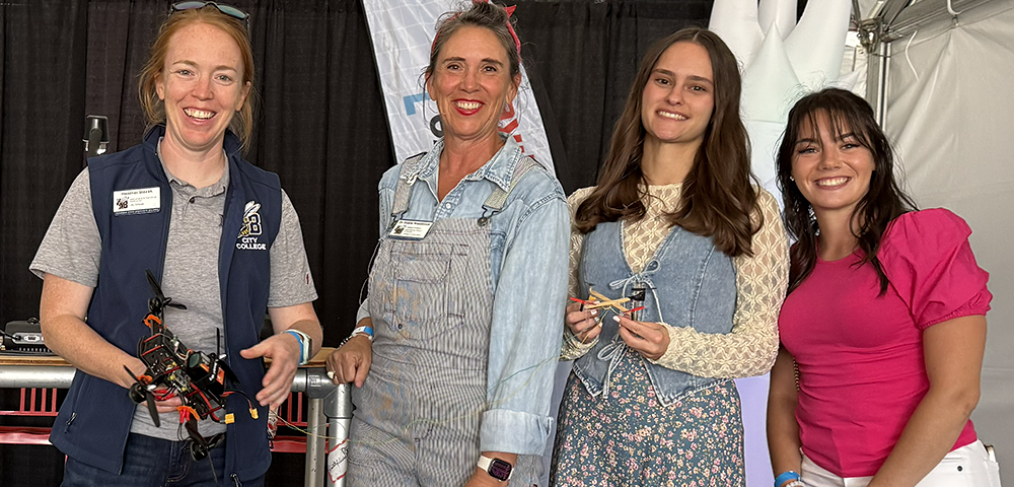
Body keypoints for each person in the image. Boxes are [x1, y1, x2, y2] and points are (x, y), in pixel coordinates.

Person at [31, 4, 322, 486]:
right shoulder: (101, 185)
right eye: (185, 71)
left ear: (243, 93)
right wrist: (133, 374)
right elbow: (57, 320)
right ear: (160, 82)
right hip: (115, 452)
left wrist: (295, 345)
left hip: (227, 452)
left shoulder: (269, 201)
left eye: (223, 76)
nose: (202, 92)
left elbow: (304, 322)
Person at [324, 2, 568, 486]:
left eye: (489, 69)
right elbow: (382, 296)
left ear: (512, 88)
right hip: (380, 442)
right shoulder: (397, 184)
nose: (469, 84)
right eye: (453, 67)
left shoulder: (534, 200)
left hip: (475, 453)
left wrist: (494, 471)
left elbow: (529, 354)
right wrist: (362, 334)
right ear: (432, 83)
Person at [550, 27, 789, 486]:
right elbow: (549, 340)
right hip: (592, 435)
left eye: (697, 87)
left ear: (719, 105)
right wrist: (574, 333)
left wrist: (672, 345)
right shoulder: (583, 206)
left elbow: (761, 348)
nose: (675, 96)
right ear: (642, 89)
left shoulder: (750, 210)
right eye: (663, 80)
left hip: (695, 437)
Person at [767, 88, 1001, 487]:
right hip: (818, 476)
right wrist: (788, 478)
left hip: (929, 473)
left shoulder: (923, 239)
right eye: (809, 148)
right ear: (790, 167)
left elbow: (957, 393)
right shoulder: (792, 264)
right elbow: (784, 393)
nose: (829, 161)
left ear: (875, 158)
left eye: (848, 144)